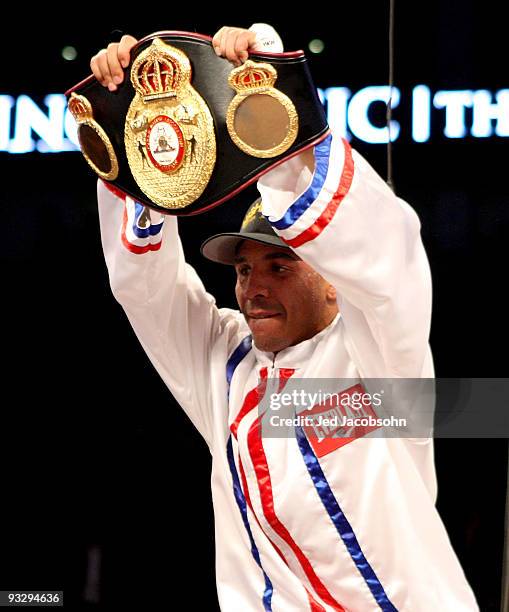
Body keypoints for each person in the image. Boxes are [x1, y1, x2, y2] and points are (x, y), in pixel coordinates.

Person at [91, 25, 479, 611]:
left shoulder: (375, 352)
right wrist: (129, 127)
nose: (254, 288)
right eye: (244, 270)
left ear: (332, 278)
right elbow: (146, 291)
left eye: (280, 265)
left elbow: (386, 252)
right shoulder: (227, 368)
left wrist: (266, 85)